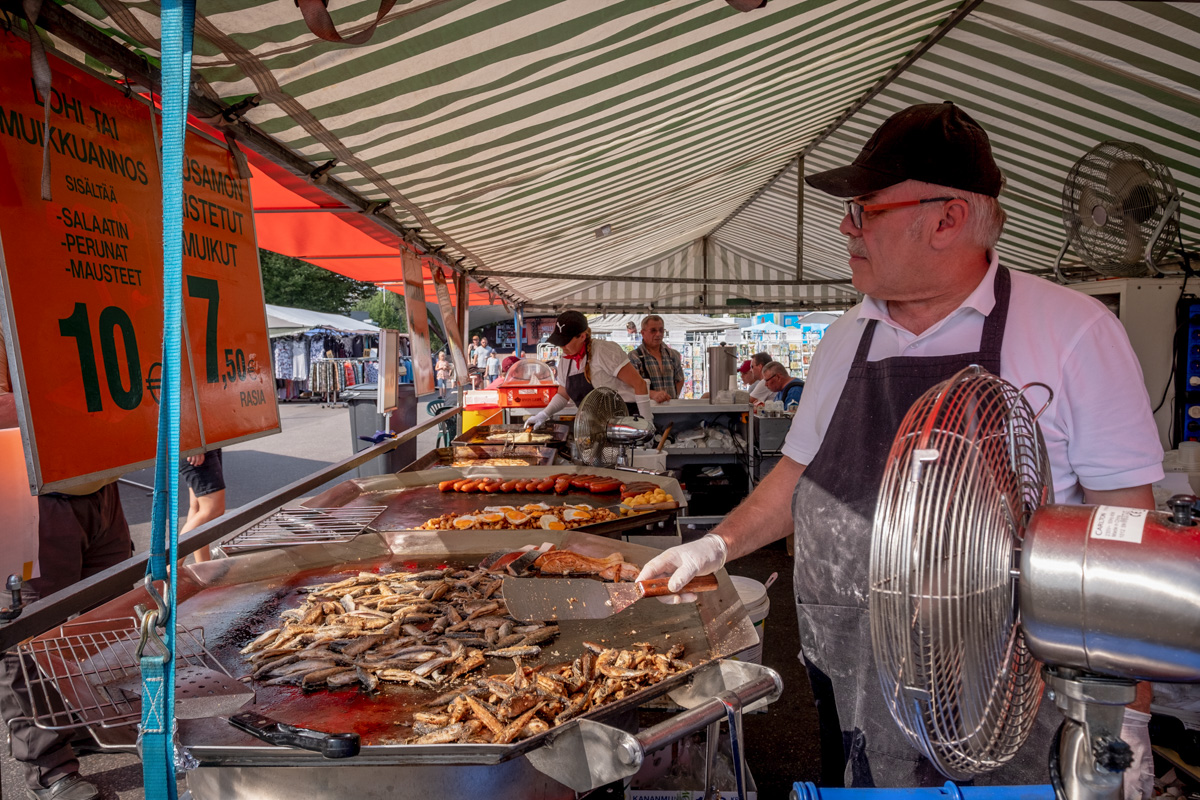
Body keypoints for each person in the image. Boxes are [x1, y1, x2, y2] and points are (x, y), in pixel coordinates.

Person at [635, 102, 1162, 793]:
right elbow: (799, 475)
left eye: (866, 211)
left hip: (1004, 698)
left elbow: (1128, 534)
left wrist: (1132, 715)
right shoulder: (845, 340)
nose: (845, 229)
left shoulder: (1075, 333)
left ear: (945, 219)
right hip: (852, 679)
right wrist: (716, 545)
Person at [0, 332, 128, 800]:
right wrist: (81, 408)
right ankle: (49, 765)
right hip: (30, 494)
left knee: (106, 619)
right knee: (33, 634)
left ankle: (81, 723)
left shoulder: (63, 298)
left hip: (98, 486)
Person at [526, 310, 653, 428]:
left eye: (565, 341)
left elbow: (639, 384)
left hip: (625, 423)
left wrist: (646, 424)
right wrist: (543, 415)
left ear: (582, 336)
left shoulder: (604, 351)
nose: (562, 346)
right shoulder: (566, 359)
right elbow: (563, 394)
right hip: (594, 428)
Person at [179, 449, 226, 563]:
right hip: (194, 443)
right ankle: (170, 568)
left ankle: (203, 564)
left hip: (204, 441)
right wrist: (194, 445)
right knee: (213, 508)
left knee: (198, 508)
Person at [629, 315, 684, 402]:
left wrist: (673, 397)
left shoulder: (673, 355)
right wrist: (653, 394)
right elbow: (632, 386)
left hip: (671, 409)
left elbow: (680, 379)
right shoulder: (634, 356)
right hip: (647, 409)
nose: (658, 334)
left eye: (661, 330)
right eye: (653, 330)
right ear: (643, 333)